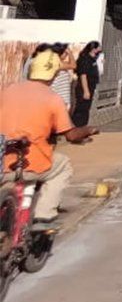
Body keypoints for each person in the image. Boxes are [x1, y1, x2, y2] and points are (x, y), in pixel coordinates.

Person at [0, 48, 99, 226]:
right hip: (30, 163)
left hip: (2, 160)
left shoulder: (7, 90)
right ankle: (44, 216)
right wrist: (88, 130)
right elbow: (71, 135)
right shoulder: (53, 99)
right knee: (63, 166)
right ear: (53, 74)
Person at [72, 41, 101, 127]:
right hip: (84, 88)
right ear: (93, 49)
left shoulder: (93, 59)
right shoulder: (85, 59)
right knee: (81, 109)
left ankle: (82, 128)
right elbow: (83, 75)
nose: (100, 49)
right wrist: (86, 90)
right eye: (98, 47)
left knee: (85, 109)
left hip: (91, 87)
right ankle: (76, 127)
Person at [49, 43, 75, 110]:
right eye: (65, 53)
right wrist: (70, 52)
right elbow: (73, 65)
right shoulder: (56, 63)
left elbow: (70, 64)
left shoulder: (60, 63)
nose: (66, 54)